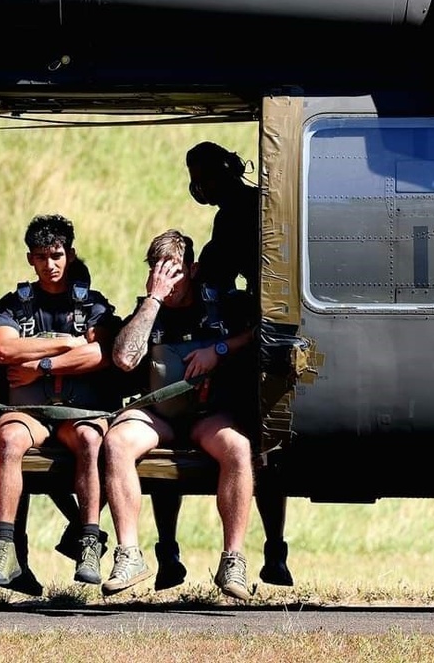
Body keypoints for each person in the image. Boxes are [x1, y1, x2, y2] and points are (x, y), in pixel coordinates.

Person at [102, 229, 254, 600]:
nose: (169, 281)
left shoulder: (219, 304)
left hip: (208, 417)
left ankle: (233, 559)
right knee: (117, 441)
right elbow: (124, 359)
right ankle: (129, 554)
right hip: (160, 417)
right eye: (160, 271)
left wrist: (218, 349)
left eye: (176, 272)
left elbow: (258, 330)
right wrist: (153, 300)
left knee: (238, 448)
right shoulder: (149, 310)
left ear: (193, 269)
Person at [0, 214, 120, 591]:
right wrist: (68, 344)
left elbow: (101, 354)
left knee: (92, 440)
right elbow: (5, 348)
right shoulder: (16, 303)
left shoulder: (91, 304)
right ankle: (4, 545)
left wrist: (41, 367)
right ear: (30, 259)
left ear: (70, 254)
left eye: (57, 255)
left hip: (76, 412)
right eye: (41, 257)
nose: (50, 264)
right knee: (8, 441)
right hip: (30, 412)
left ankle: (88, 539)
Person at [185, 140, 294, 587]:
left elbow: (219, 267)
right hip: (260, 329)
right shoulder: (250, 202)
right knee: (261, 450)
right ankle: (275, 549)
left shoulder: (234, 211)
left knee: (260, 447)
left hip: (256, 336)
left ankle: (272, 549)